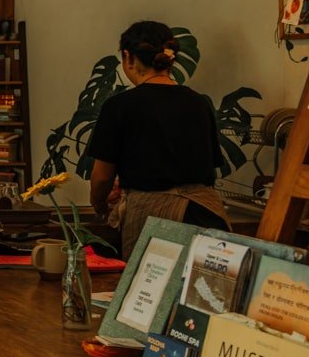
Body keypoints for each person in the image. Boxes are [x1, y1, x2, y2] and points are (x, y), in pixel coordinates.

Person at [86, 20, 229, 260]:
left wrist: (99, 205)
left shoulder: (120, 106)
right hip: (207, 218)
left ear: (128, 57)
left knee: (150, 294)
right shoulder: (199, 102)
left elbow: (101, 178)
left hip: (155, 224)